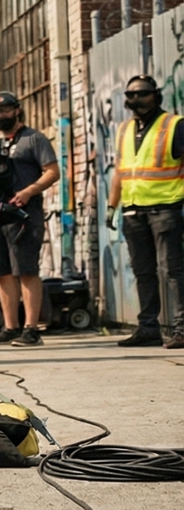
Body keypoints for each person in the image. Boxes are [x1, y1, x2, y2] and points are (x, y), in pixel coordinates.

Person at [0, 91, 59, 347]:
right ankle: (10, 326)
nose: (0, 116)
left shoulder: (34, 139)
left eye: (4, 110)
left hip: (24, 214)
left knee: (26, 270)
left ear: (17, 110)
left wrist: (28, 191)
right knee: (1, 272)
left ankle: (31, 328)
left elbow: (52, 172)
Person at [109, 76, 184, 349]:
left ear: (156, 95)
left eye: (142, 94)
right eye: (131, 95)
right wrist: (111, 206)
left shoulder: (174, 125)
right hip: (132, 211)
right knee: (143, 271)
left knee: (173, 270)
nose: (136, 99)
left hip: (166, 208)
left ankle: (182, 328)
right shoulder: (124, 130)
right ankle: (148, 328)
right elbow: (120, 171)